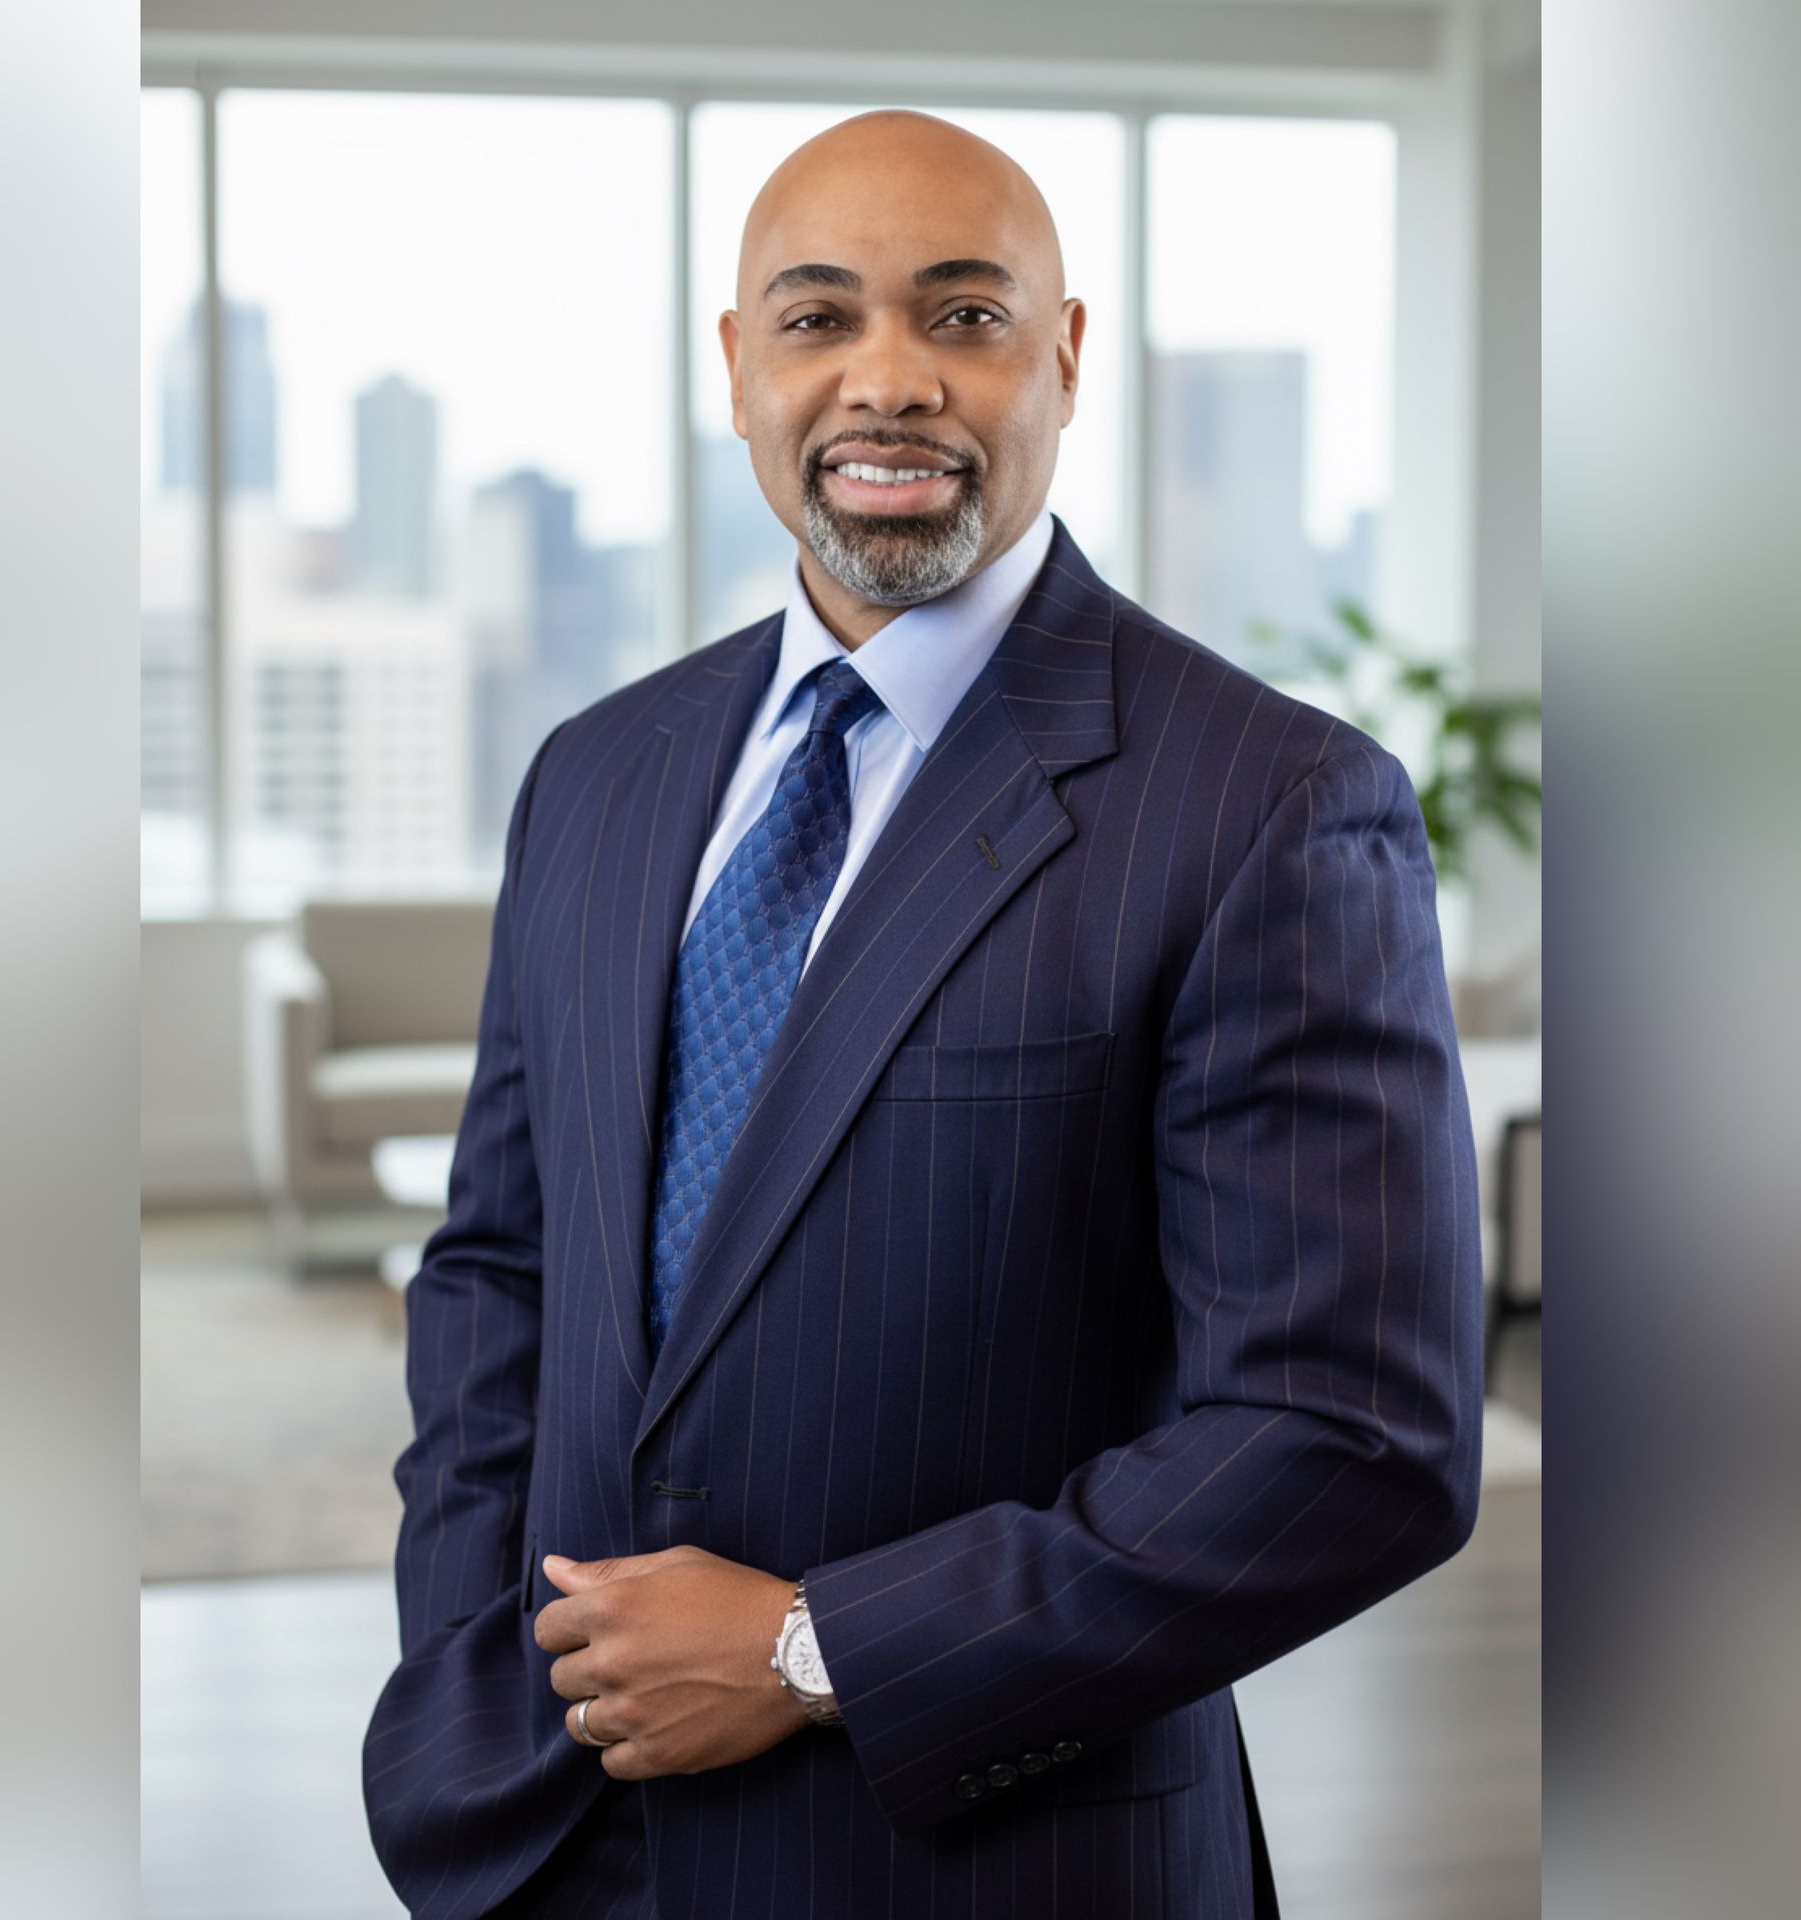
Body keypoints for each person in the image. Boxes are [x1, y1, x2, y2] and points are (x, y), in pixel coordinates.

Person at [362, 108, 1484, 1920]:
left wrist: (820, 1651)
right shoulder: (600, 771)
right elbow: (502, 1268)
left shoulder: (1269, 804)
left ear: (1063, 356)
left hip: (991, 1862)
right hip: (559, 1836)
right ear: (738, 370)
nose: (890, 382)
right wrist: (473, 1668)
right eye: (819, 320)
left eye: (962, 317)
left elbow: (1350, 1442)